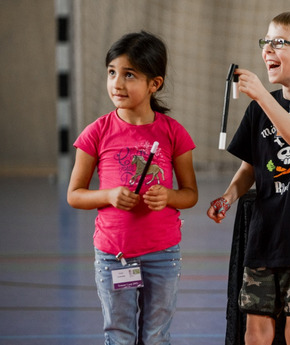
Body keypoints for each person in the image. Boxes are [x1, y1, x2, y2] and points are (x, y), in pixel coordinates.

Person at [207, 11, 290, 345]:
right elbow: (249, 167)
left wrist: (262, 96)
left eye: (279, 42)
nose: (267, 49)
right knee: (256, 330)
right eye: (266, 41)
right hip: (264, 239)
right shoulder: (258, 109)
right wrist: (228, 197)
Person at [67, 31, 198, 344]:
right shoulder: (95, 133)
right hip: (115, 254)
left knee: (155, 336)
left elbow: (190, 194)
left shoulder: (173, 133)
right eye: (112, 73)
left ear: (155, 83)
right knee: (120, 335)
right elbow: (75, 194)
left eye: (129, 75)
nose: (117, 83)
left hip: (163, 254)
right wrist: (109, 196)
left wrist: (168, 196)